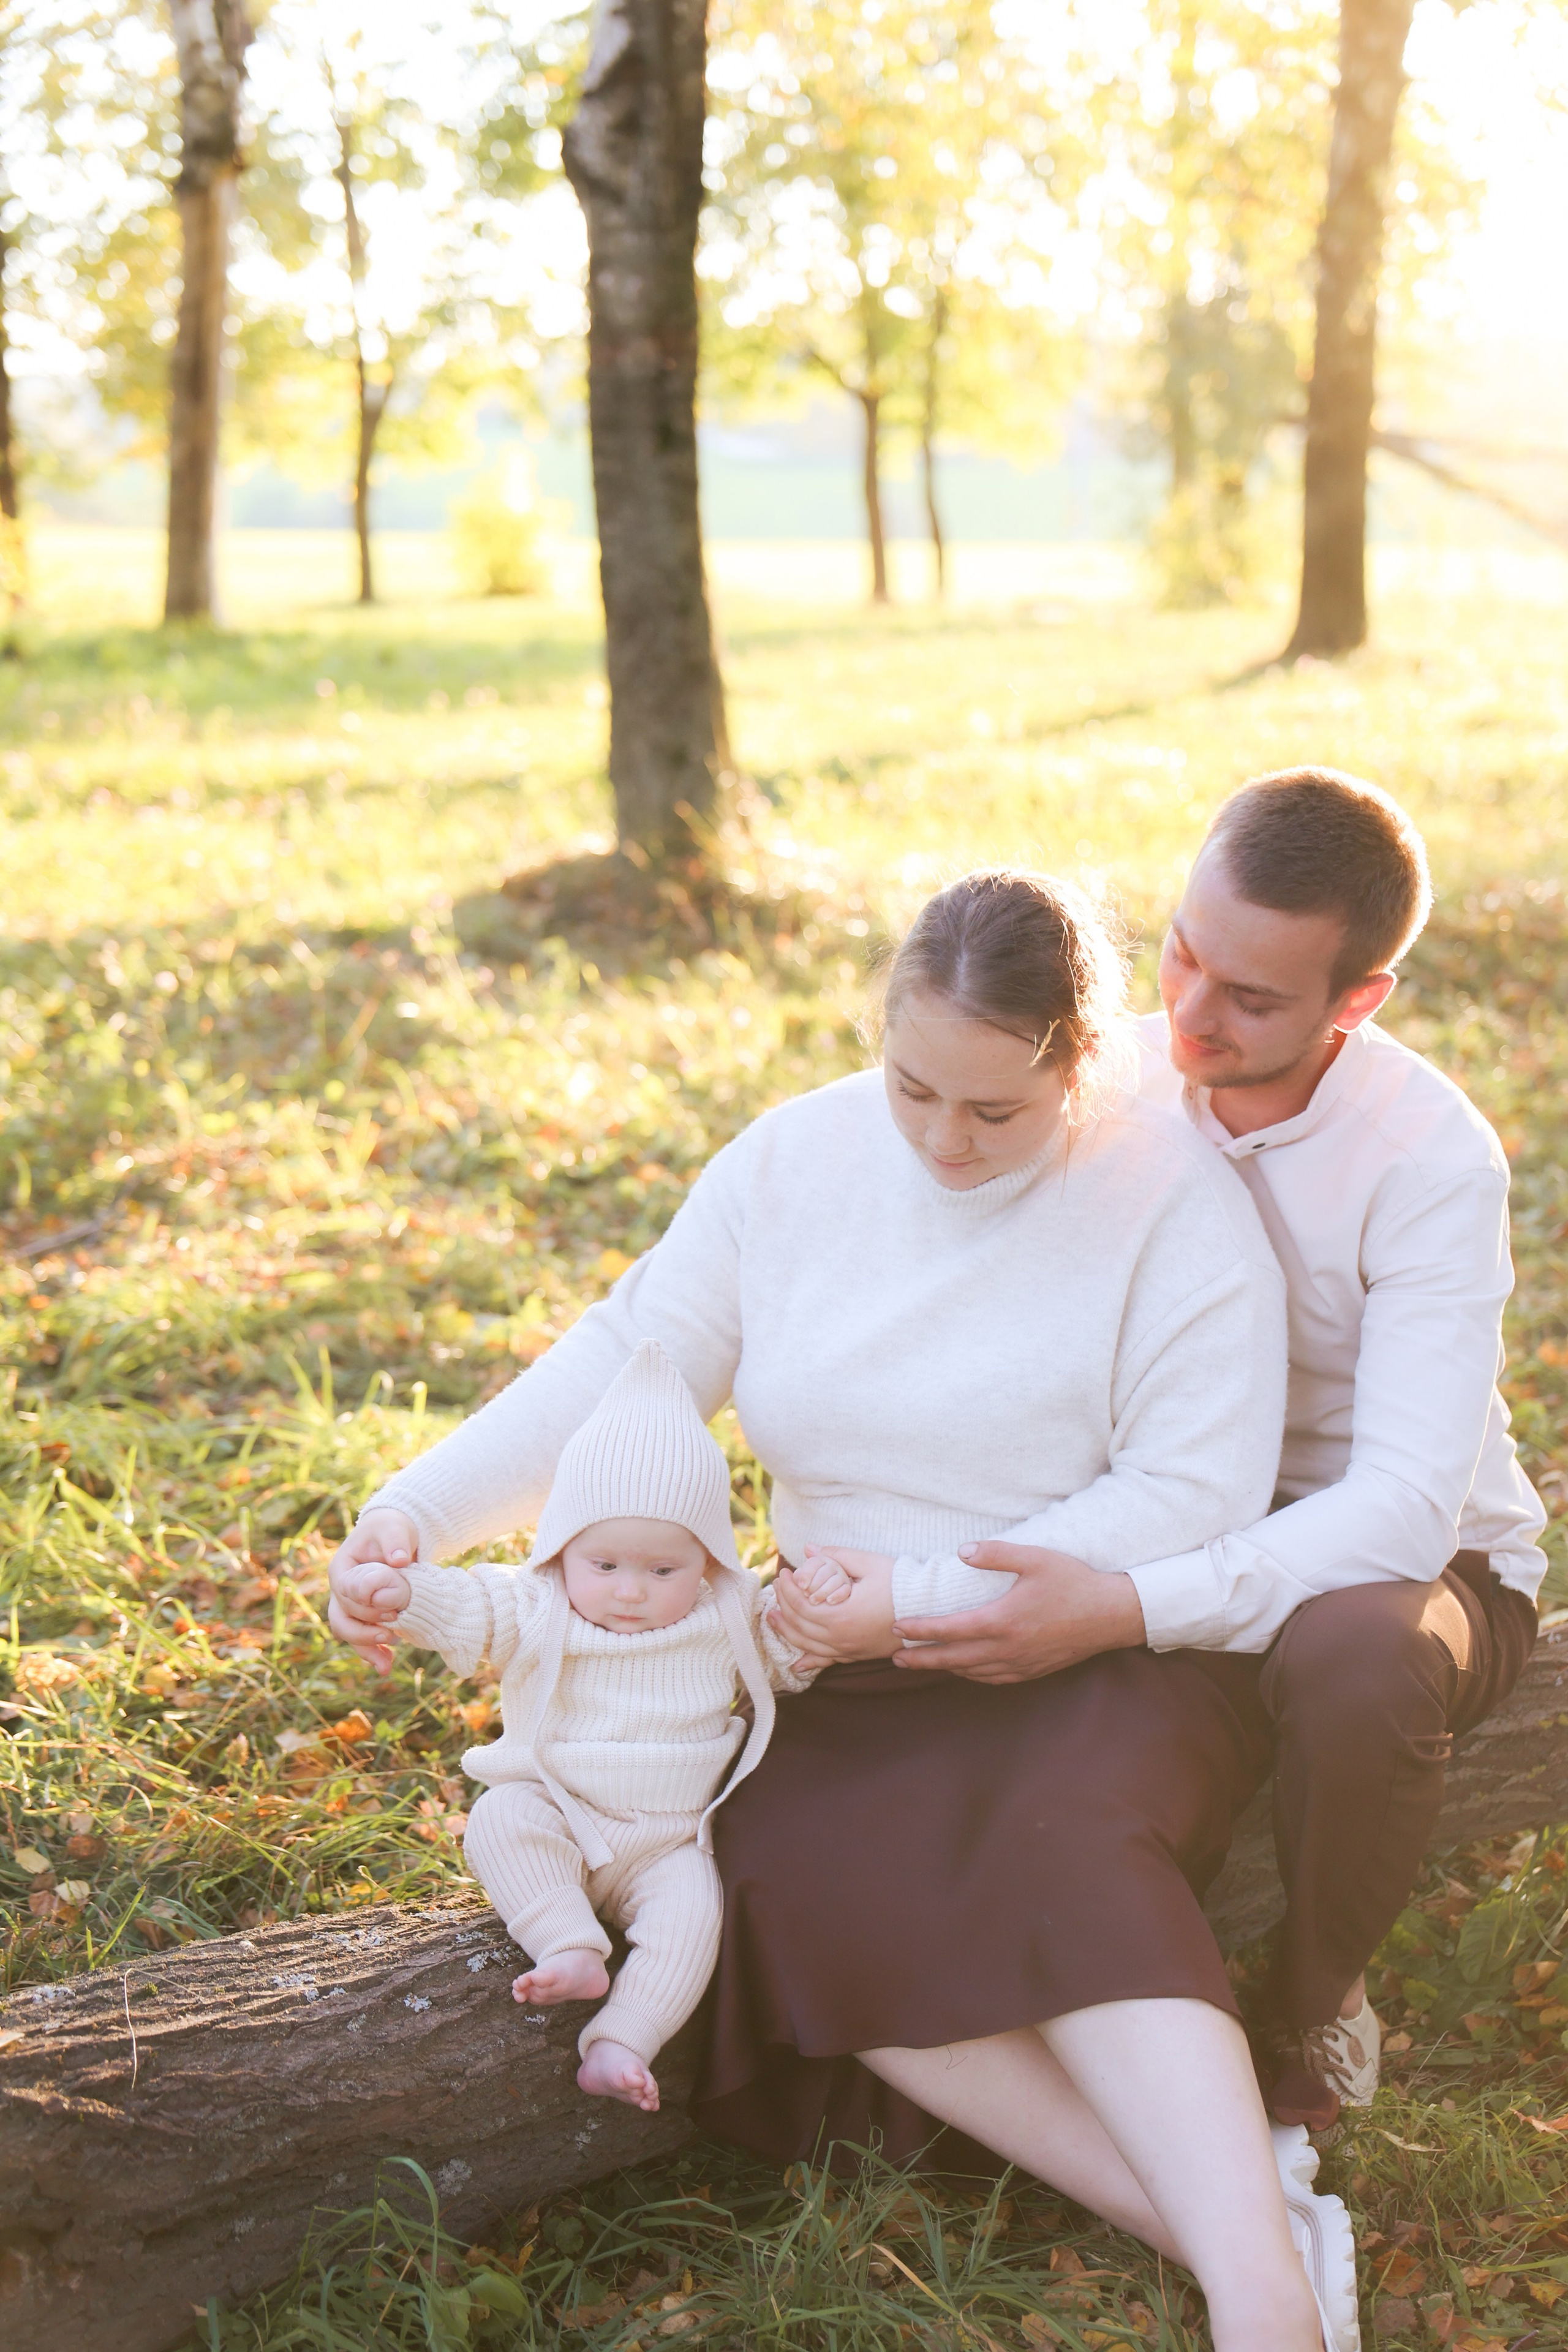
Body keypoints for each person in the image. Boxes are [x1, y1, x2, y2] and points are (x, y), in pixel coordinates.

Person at [331, 869, 1357, 2352]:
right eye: (910, 1086)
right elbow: (627, 1361)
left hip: (1087, 1643)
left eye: (995, 1110)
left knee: (1050, 1837)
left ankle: (1264, 2308)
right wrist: (408, 1515)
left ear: (1081, 1058)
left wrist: (924, 1597)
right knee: (773, 1873)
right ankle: (1235, 2213)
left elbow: (1189, 1490)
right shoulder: (792, 1163)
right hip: (826, 1660)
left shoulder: (1171, 1205)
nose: (945, 1139)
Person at [880, 772, 1546, 2130]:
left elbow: (1404, 1511)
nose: (1188, 1015)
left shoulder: (1427, 1163)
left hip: (1396, 1566)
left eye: (1252, 998)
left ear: (1355, 1003)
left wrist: (1121, 1607)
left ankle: (1315, 1996)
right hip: (1154, 1507)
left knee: (1352, 1657)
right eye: (1184, 953)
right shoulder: (1102, 1076)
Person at [328, 1339, 816, 2114]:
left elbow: (793, 1653)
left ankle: (626, 2039)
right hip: (559, 1805)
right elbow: (461, 1607)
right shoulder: (535, 1605)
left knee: (694, 1917)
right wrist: (393, 1592)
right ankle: (567, 1942)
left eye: (664, 1571)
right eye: (605, 1565)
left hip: (669, 1839)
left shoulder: (727, 1616)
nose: (630, 1592)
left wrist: (814, 1609)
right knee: (499, 1819)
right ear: (561, 1550)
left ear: (710, 1561)